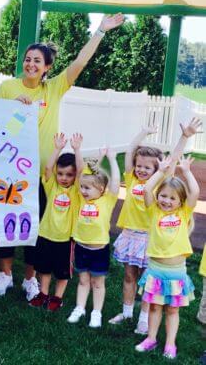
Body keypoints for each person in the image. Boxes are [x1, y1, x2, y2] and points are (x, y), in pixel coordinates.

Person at [0, 14, 124, 300]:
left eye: (37, 61)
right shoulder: (7, 88)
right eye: (28, 59)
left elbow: (79, 63)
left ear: (47, 67)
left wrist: (101, 31)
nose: (31, 64)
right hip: (9, 171)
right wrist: (13, 109)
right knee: (8, 222)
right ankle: (4, 274)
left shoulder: (53, 88)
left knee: (37, 226)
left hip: (43, 174)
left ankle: (30, 278)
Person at [109, 120, 201, 334]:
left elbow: (174, 159)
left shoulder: (160, 185)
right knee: (129, 276)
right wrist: (143, 133)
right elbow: (130, 152)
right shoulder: (131, 179)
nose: (141, 169)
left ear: (157, 168)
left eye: (147, 167)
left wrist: (185, 136)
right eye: (139, 165)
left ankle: (144, 318)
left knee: (147, 280)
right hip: (130, 234)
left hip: (149, 238)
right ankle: (126, 312)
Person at [135, 155, 198, 360]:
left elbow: (195, 192)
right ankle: (151, 338)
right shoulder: (154, 211)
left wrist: (186, 171)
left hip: (176, 271)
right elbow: (147, 190)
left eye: (172, 198)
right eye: (163, 196)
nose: (166, 201)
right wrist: (161, 171)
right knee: (154, 307)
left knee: (172, 310)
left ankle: (170, 344)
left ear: (180, 201)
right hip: (156, 269)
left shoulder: (183, 213)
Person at [67, 148, 120, 328]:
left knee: (97, 283)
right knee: (83, 281)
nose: (83, 190)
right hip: (81, 248)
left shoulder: (107, 200)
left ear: (101, 189)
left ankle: (96, 312)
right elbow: (81, 172)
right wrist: (86, 153)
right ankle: (80, 308)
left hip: (99, 250)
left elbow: (115, 183)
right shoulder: (81, 199)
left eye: (87, 188)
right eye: (82, 187)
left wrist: (112, 159)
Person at [29, 133, 83, 311]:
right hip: (46, 234)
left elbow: (81, 171)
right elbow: (47, 168)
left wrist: (77, 150)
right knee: (44, 268)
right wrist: (57, 149)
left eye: (69, 175)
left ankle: (57, 298)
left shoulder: (76, 191)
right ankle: (43, 294)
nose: (64, 178)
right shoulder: (52, 186)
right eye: (60, 173)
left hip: (65, 239)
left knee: (62, 272)